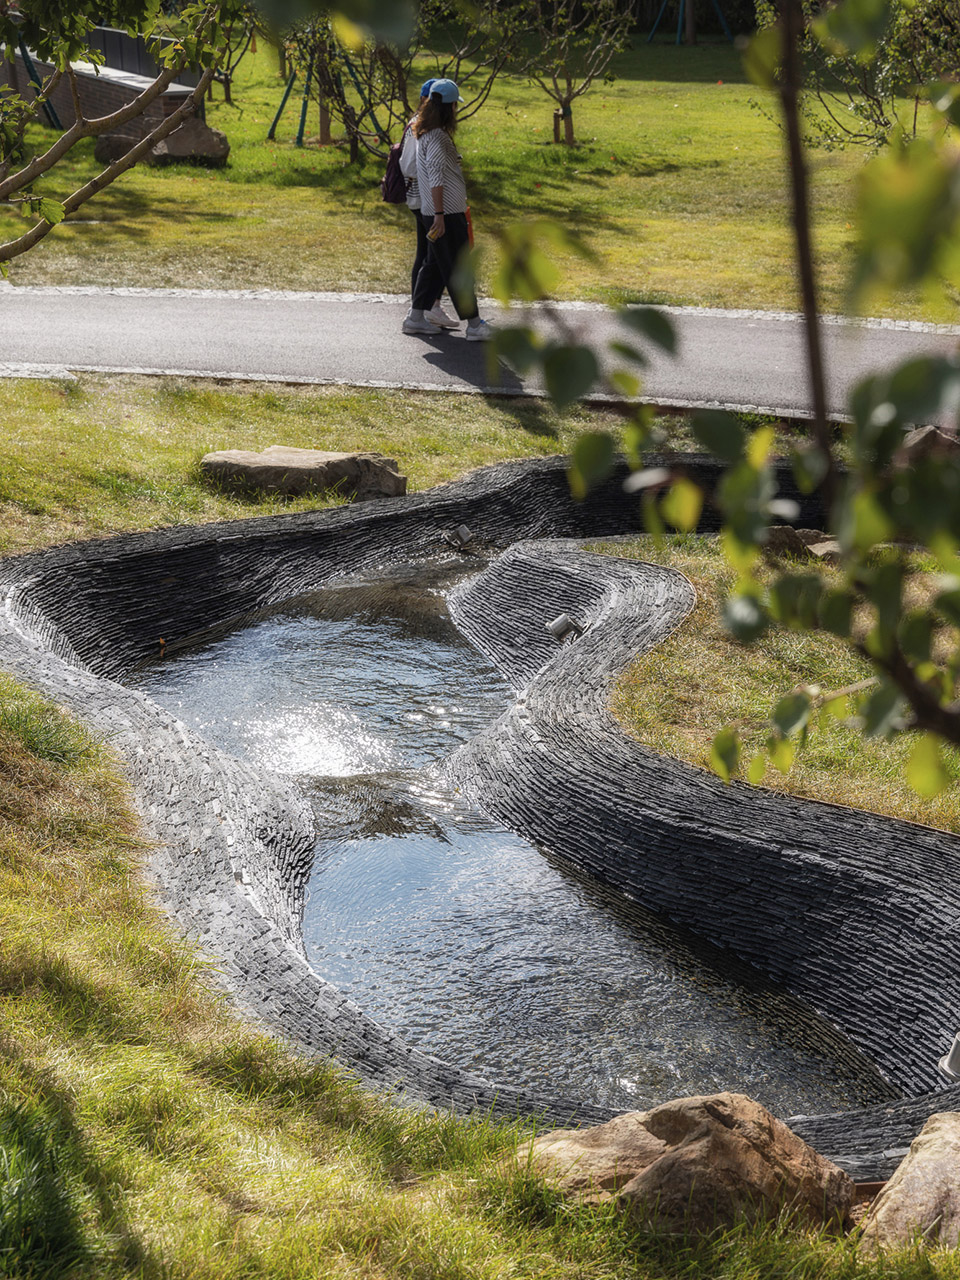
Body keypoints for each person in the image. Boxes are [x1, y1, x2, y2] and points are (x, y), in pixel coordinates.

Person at [403, 78, 492, 342]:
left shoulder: (423, 132)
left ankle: (415, 317)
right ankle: (475, 325)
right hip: (447, 214)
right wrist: (440, 216)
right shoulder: (439, 137)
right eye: (455, 105)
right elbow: (437, 177)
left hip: (433, 211)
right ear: (450, 107)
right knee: (458, 268)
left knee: (432, 265)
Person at [399, 79, 459, 334]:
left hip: (425, 201)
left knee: (431, 255)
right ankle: (423, 309)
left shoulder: (424, 127)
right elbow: (411, 166)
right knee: (432, 256)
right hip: (423, 201)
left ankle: (424, 308)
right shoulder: (420, 128)